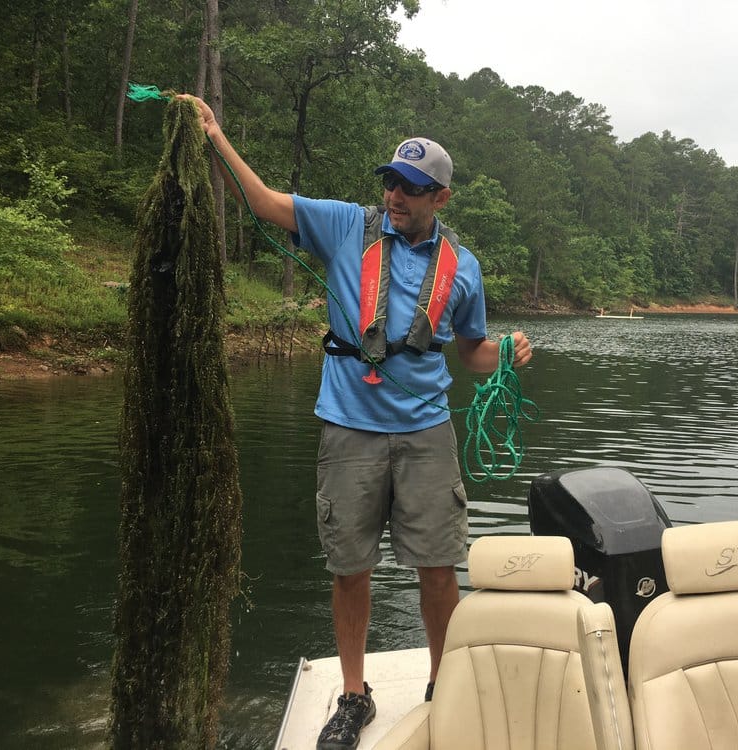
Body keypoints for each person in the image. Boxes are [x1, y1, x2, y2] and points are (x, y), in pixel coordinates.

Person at [178, 95, 533, 750]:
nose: (397, 195)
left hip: (427, 432)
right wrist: (215, 136)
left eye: (414, 188)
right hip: (349, 426)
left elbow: (473, 354)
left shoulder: (465, 268)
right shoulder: (347, 226)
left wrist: (506, 351)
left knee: (437, 567)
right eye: (392, 181)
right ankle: (352, 694)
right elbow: (262, 203)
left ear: (441, 198)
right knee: (350, 568)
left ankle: (442, 683)